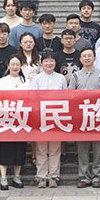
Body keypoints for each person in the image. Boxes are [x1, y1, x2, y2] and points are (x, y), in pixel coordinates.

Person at [69, 47, 100, 188]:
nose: (87, 58)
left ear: (94, 58)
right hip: (82, 118)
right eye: (84, 56)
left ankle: (97, 177)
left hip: (98, 117)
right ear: (80, 59)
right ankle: (84, 177)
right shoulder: (75, 76)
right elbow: (71, 96)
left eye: (89, 56)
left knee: (98, 150)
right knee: (83, 150)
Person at [28, 49, 68, 188]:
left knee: (55, 148)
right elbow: (32, 98)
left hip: (57, 115)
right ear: (41, 63)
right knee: (41, 148)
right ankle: (41, 176)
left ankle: (54, 176)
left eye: (51, 60)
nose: (49, 63)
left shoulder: (61, 78)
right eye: (46, 61)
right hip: (41, 116)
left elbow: (65, 97)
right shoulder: (37, 79)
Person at [0, 55, 28, 190]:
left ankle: (16, 176)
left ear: (21, 66)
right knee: (4, 148)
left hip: (21, 119)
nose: (15, 67)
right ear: (8, 66)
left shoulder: (26, 81)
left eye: (17, 64)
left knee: (19, 148)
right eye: (12, 64)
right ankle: (3, 177)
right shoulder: (2, 82)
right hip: (5, 119)